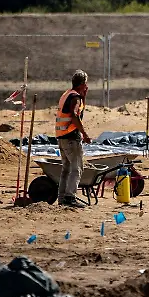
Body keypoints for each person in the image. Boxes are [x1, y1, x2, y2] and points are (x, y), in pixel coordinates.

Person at [55, 70, 91, 208]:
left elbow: (79, 111)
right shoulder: (75, 98)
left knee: (66, 168)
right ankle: (70, 197)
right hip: (71, 138)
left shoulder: (67, 94)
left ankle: (62, 198)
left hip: (61, 136)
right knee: (77, 168)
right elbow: (75, 116)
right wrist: (85, 134)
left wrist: (84, 96)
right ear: (83, 84)